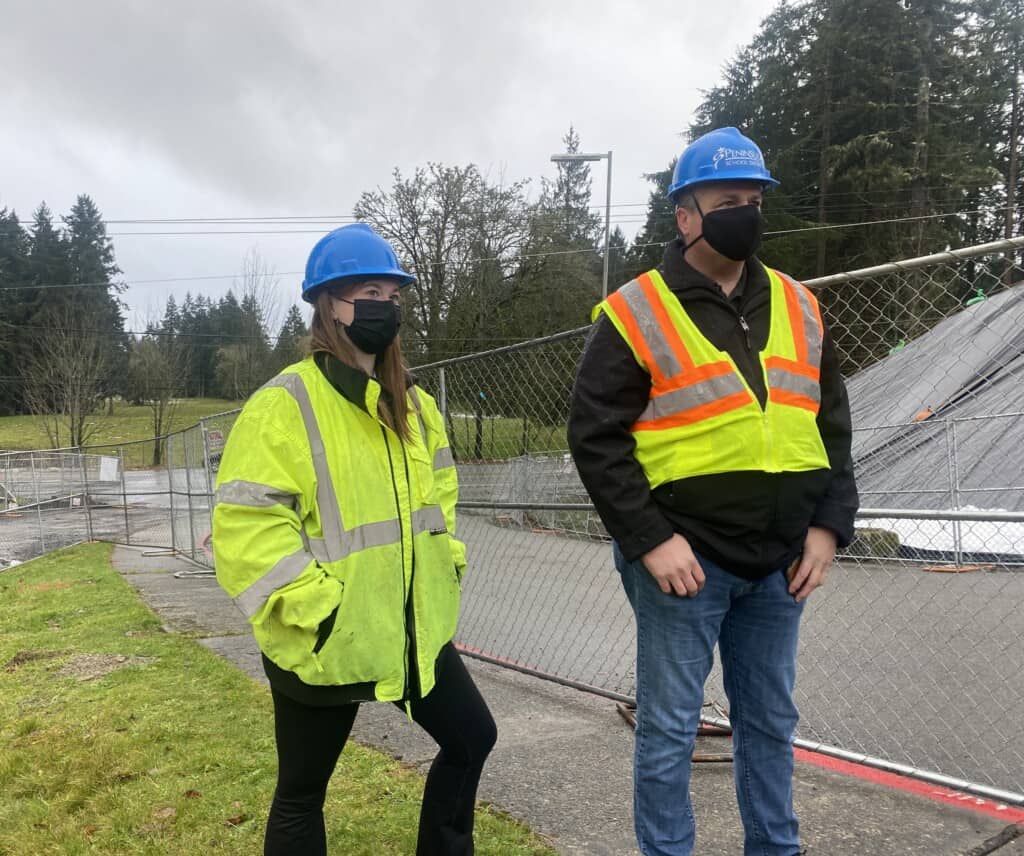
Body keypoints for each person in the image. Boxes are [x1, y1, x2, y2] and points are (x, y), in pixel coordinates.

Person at [567, 127, 858, 856]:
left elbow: (833, 428)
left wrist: (829, 528)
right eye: (729, 199)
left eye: (755, 199)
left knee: (770, 725)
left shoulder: (800, 305)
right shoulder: (635, 311)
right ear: (686, 215)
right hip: (684, 564)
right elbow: (595, 437)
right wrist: (649, 540)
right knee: (669, 729)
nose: (747, 212)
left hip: (781, 562)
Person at [212, 222, 496, 856]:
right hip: (328, 636)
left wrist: (443, 569)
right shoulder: (284, 404)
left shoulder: (415, 406)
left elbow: (440, 503)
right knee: (303, 792)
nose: (384, 307)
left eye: (394, 296)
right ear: (328, 305)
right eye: (369, 292)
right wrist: (322, 609)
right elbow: (246, 527)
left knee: (472, 736)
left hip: (408, 632)